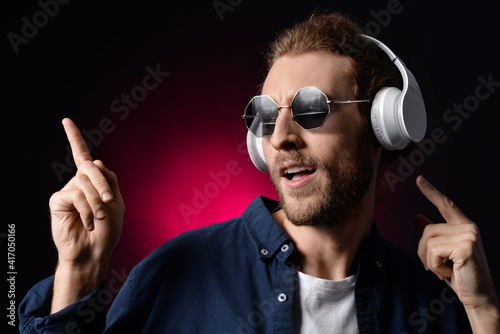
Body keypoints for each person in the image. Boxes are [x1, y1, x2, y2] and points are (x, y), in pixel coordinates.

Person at [19, 12, 499, 334]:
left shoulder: (433, 303)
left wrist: (483, 314)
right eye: (266, 116)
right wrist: (77, 275)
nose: (280, 136)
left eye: (312, 108)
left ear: (382, 127)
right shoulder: (173, 277)